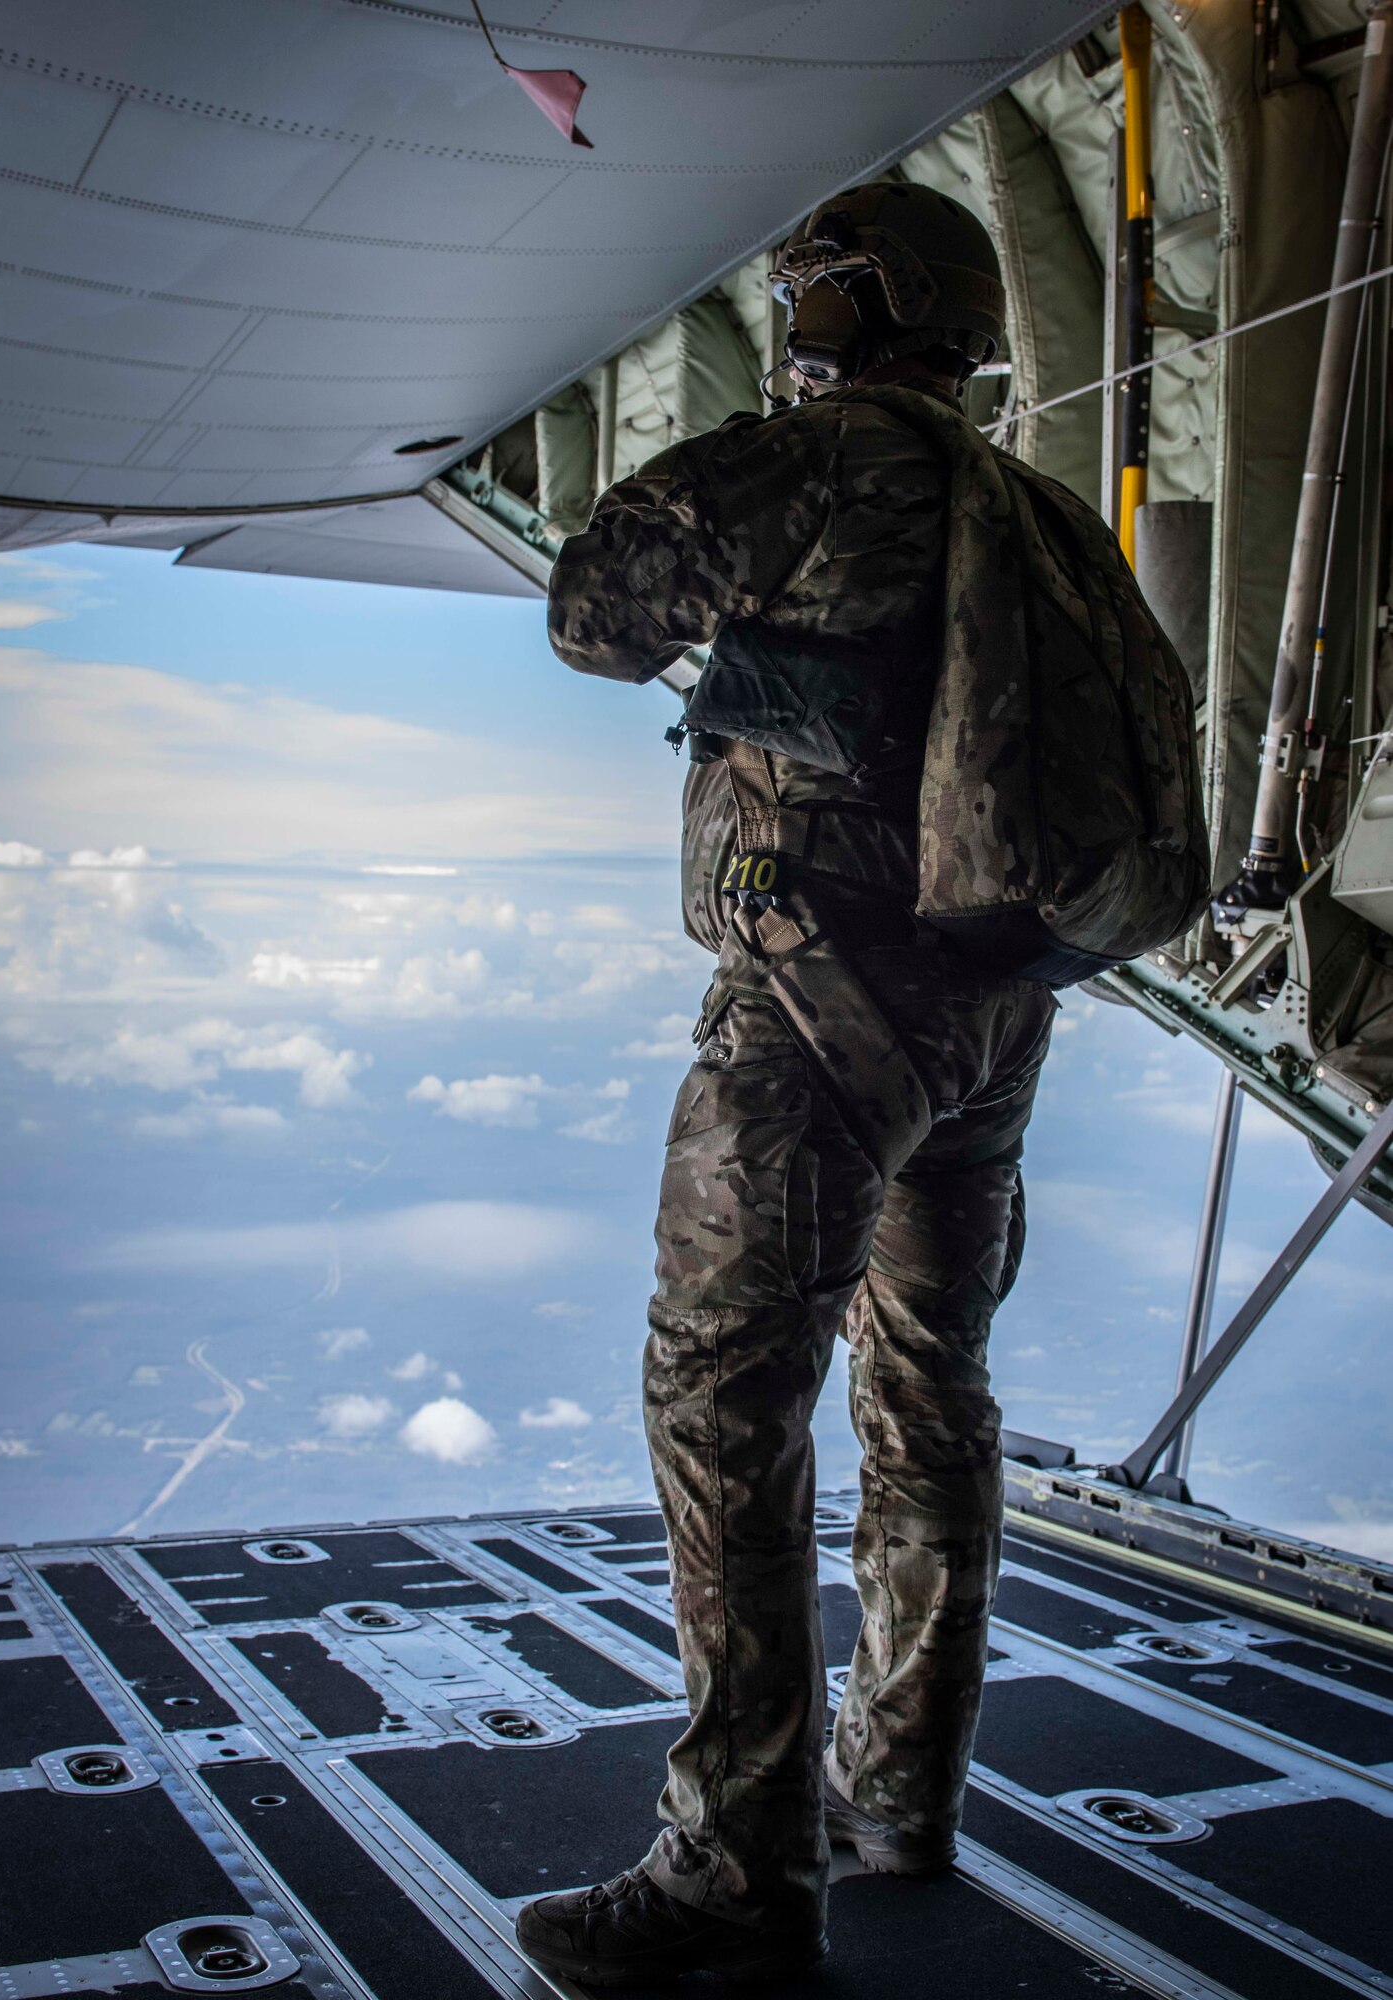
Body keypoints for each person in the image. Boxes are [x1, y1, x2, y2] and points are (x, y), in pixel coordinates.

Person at [517, 180, 1063, 1987]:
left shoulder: (822, 463)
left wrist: (753, 488)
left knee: (720, 1401)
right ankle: (897, 1794)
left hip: (814, 1002)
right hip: (992, 1013)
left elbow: (594, 612)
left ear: (853, 309)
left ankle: (733, 1878)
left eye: (801, 290)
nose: (784, 311)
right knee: (930, 1392)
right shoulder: (1040, 513)